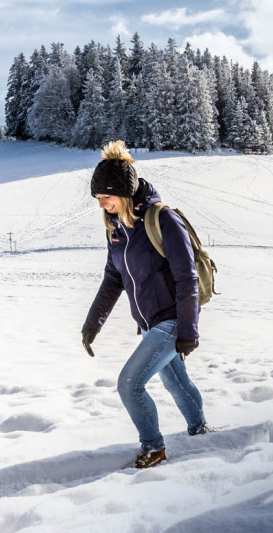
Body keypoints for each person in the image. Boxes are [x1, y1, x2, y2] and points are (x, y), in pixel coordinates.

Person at [81, 140, 208, 468]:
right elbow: (113, 279)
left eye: (106, 197)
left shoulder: (162, 219)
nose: (101, 205)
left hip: (171, 321)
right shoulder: (117, 230)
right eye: (97, 199)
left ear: (122, 192)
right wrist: (92, 324)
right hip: (150, 324)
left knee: (129, 384)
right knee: (176, 381)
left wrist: (188, 329)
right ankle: (200, 429)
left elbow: (187, 277)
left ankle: (154, 448)